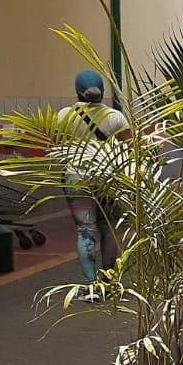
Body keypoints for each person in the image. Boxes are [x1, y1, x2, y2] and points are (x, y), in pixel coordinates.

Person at [56, 69, 131, 285]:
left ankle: (90, 283)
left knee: (85, 231)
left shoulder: (64, 116)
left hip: (77, 178)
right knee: (109, 230)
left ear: (77, 91)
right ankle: (109, 280)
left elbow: (57, 145)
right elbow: (130, 148)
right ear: (102, 90)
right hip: (109, 178)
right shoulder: (115, 117)